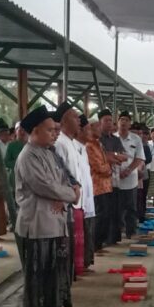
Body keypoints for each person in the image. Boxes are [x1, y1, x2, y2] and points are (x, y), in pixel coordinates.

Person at [15, 106, 79, 307]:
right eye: (50, 130)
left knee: (54, 269)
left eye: (55, 130)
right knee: (39, 270)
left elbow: (64, 180)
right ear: (35, 131)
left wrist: (65, 196)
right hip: (37, 223)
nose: (54, 134)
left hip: (55, 221)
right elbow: (44, 186)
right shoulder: (28, 156)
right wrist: (70, 195)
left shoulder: (49, 153)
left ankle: (52, 306)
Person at [54, 100, 89, 276]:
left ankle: (73, 273)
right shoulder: (60, 143)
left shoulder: (72, 143)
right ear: (64, 121)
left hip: (76, 199)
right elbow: (61, 174)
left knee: (75, 243)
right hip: (67, 201)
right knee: (67, 243)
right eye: (75, 117)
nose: (79, 121)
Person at [98, 109, 128, 244]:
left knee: (115, 210)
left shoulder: (115, 140)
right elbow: (101, 157)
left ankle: (113, 239)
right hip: (100, 182)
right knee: (103, 212)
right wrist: (113, 156)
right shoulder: (97, 140)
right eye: (106, 120)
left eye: (111, 120)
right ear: (100, 122)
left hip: (115, 180)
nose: (109, 123)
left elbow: (124, 156)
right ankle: (102, 240)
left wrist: (112, 156)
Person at [114, 111, 146, 241]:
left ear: (130, 124)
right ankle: (116, 234)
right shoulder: (112, 137)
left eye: (126, 120)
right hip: (115, 179)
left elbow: (139, 157)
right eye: (121, 119)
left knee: (131, 208)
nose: (124, 122)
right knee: (116, 209)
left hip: (130, 178)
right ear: (118, 122)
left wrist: (128, 170)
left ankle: (131, 232)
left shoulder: (135, 139)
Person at [85, 119, 113, 255]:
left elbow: (104, 163)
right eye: (97, 127)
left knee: (105, 216)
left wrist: (107, 167)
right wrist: (109, 168)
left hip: (106, 185)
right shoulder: (89, 146)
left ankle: (99, 244)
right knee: (99, 217)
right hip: (97, 186)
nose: (100, 129)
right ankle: (95, 246)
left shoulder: (99, 144)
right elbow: (99, 167)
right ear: (90, 128)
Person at [77, 116, 97, 269]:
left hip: (87, 198)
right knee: (82, 234)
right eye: (88, 128)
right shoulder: (70, 146)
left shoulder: (83, 148)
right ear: (80, 130)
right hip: (79, 200)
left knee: (89, 231)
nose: (91, 132)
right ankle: (82, 265)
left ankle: (87, 262)